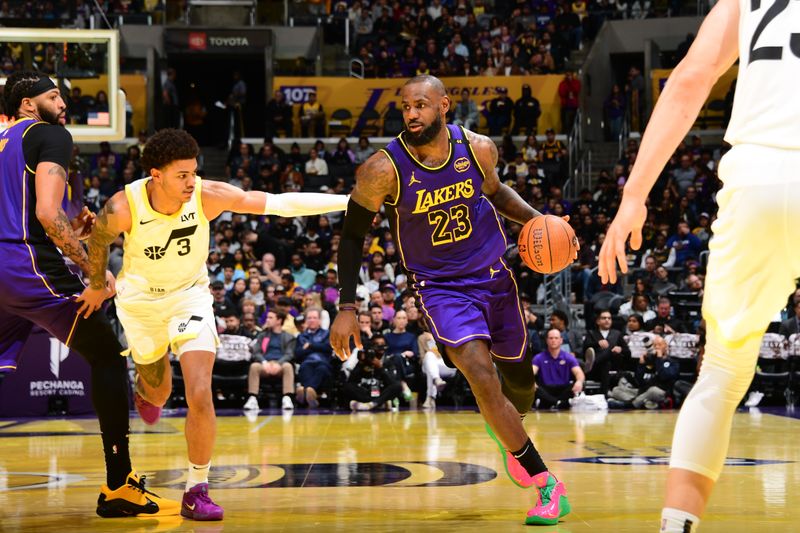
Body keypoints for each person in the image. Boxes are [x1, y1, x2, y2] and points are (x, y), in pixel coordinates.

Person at [329, 75, 572, 525]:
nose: (412, 114)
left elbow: (496, 193)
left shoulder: (478, 149)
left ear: (444, 106)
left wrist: (544, 222)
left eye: (421, 105)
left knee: (519, 388)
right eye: (405, 107)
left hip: (494, 276)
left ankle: (507, 427)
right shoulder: (382, 170)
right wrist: (347, 307)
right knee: (480, 374)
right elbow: (352, 237)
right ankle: (546, 483)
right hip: (440, 288)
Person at [78, 128, 349, 521]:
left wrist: (349, 201)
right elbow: (98, 240)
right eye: (181, 175)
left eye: (193, 172)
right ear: (156, 175)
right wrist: (97, 280)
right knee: (158, 393)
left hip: (190, 296)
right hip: (140, 303)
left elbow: (274, 202)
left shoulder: (206, 195)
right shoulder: (124, 204)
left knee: (199, 392)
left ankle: (197, 489)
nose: (191, 182)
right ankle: (146, 391)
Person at [598, 1, 792, 530]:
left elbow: (690, 78)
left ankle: (676, 526)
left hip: (760, 174)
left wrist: (634, 195)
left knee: (723, 374)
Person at [0, 71, 180, 517]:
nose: (63, 101)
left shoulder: (4, 140)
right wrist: (94, 270)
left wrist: (71, 224)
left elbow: (24, 206)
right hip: (25, 267)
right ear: (28, 104)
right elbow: (43, 213)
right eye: (53, 94)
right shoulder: (50, 135)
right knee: (104, 354)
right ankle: (119, 485)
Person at [245, 309, 297, 411]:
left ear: (279, 320)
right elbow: (256, 352)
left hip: (281, 365)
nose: (267, 320)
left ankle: (287, 397)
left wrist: (278, 363)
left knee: (288, 366)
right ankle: (253, 398)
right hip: (265, 364)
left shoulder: (289, 337)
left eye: (270, 318)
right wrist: (264, 363)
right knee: (254, 366)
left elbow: (289, 354)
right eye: (267, 317)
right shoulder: (262, 335)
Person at [532, 329, 585, 409]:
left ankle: (551, 403)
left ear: (561, 340)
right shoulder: (539, 358)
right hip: (546, 388)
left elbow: (579, 373)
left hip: (562, 388)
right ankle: (558, 403)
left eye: (556, 338)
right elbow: (531, 373)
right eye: (551, 338)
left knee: (578, 385)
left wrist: (579, 382)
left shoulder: (568, 357)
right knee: (532, 386)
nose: (553, 340)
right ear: (547, 340)